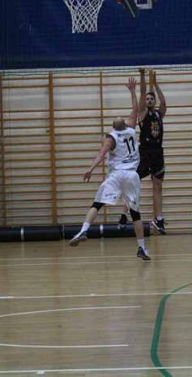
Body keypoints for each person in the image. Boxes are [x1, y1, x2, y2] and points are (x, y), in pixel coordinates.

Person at [69, 77, 150, 260]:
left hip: (116, 175)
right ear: (125, 124)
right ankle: (142, 248)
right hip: (132, 175)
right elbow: (135, 109)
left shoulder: (111, 137)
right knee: (135, 213)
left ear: (113, 127)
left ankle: (84, 230)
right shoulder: (131, 130)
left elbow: (101, 155)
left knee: (97, 204)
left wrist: (90, 169)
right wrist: (132, 91)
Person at [119, 70, 168, 235]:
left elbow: (163, 102)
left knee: (158, 186)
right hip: (145, 153)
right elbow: (142, 92)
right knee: (133, 182)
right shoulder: (143, 113)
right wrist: (142, 76)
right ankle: (124, 213)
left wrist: (156, 84)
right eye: (147, 99)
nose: (149, 100)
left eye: (151, 98)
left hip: (158, 153)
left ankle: (159, 219)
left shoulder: (158, 114)